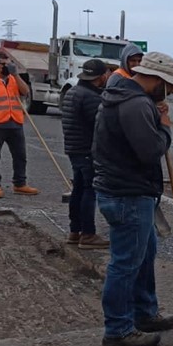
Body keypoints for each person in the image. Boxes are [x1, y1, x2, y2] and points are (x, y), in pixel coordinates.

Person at [92, 51, 173, 346]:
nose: (170, 91)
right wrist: (165, 125)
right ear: (156, 80)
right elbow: (151, 150)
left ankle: (144, 312)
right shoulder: (134, 105)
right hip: (127, 194)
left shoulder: (122, 96)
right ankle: (118, 329)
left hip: (130, 190)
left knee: (144, 256)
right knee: (126, 264)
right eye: (168, 85)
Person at [60, 59, 112, 250]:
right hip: (87, 150)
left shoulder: (73, 92)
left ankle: (75, 231)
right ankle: (88, 234)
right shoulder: (91, 97)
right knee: (89, 191)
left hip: (74, 149)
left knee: (78, 190)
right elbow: (99, 127)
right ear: (100, 76)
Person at [0, 53, 39, 198]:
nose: (7, 67)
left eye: (10, 64)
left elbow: (26, 92)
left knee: (20, 156)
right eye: (4, 64)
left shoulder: (13, 79)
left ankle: (20, 184)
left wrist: (15, 75)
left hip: (15, 123)